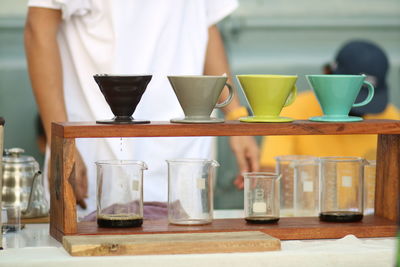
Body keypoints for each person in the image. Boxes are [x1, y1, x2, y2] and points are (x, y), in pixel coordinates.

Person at [24, 1, 259, 214]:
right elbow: (39, 28)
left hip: (186, 151)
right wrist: (61, 145)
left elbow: (205, 25)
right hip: (104, 152)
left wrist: (235, 116)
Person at [259, 40, 400, 171]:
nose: (355, 111)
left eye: (364, 102)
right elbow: (269, 172)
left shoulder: (391, 118)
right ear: (327, 73)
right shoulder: (293, 110)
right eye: (347, 95)